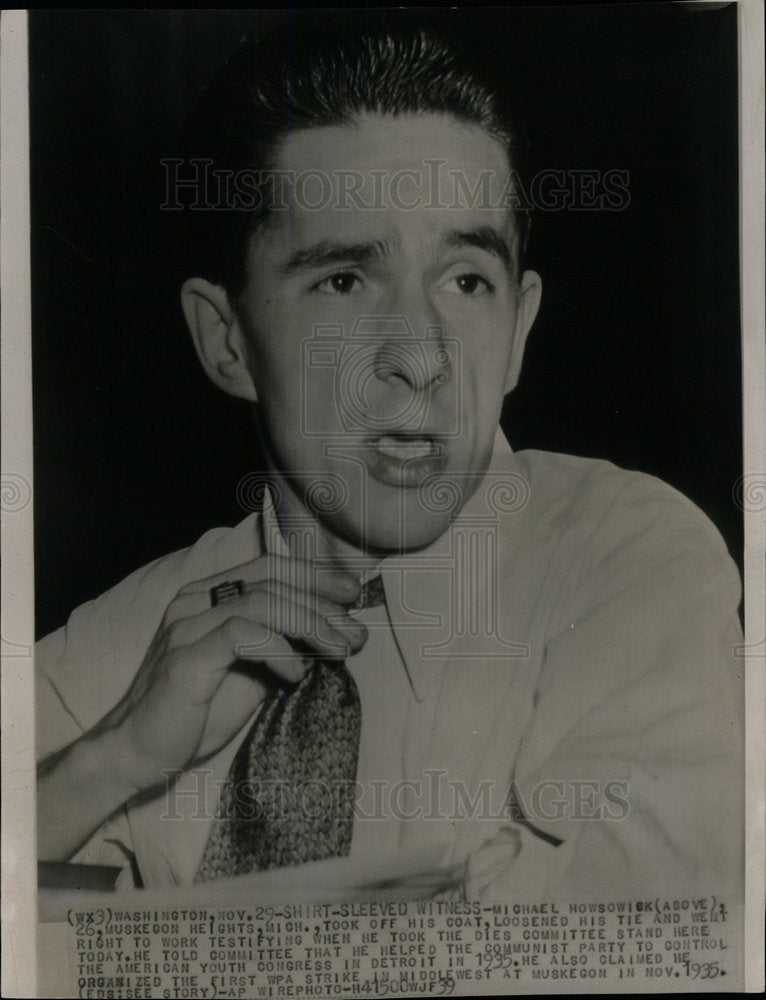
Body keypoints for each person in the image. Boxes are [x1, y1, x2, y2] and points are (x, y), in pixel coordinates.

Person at [35, 17, 743, 902]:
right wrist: (108, 762)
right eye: (344, 280)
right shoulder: (118, 648)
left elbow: (643, 926)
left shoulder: (629, 564)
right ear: (227, 342)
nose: (422, 356)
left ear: (518, 331)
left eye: (466, 281)